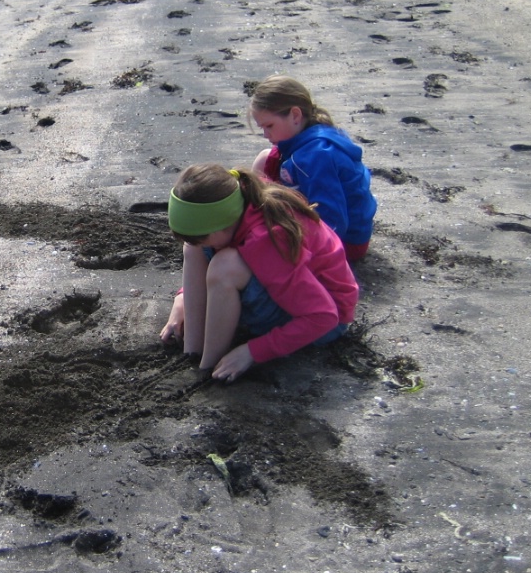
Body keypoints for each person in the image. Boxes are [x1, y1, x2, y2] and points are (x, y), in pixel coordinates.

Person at [160, 164, 359, 383]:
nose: (198, 242)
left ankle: (208, 368)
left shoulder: (267, 239)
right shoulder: (240, 200)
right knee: (193, 248)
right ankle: (192, 350)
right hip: (291, 291)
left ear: (224, 224)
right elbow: (201, 246)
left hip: (324, 321)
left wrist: (252, 352)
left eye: (201, 237)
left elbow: (324, 316)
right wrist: (184, 299)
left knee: (224, 268)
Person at [249, 75, 376, 262]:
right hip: (347, 229)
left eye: (269, 126)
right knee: (266, 158)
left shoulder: (316, 156)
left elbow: (332, 218)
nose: (266, 134)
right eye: (262, 128)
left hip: (346, 243)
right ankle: (255, 214)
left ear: (295, 115)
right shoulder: (315, 134)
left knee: (255, 249)